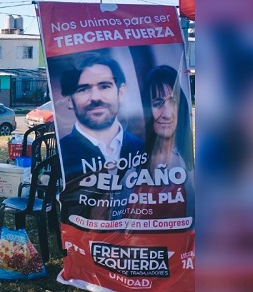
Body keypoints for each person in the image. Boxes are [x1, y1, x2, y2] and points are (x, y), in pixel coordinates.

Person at [57, 53, 144, 219]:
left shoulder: (144, 149)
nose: (95, 98)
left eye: (105, 86)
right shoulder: (61, 155)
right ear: (69, 100)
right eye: (83, 89)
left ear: (121, 91)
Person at [130, 64, 195, 220]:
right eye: (157, 103)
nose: (167, 114)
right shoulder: (130, 167)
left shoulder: (195, 168)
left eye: (173, 102)